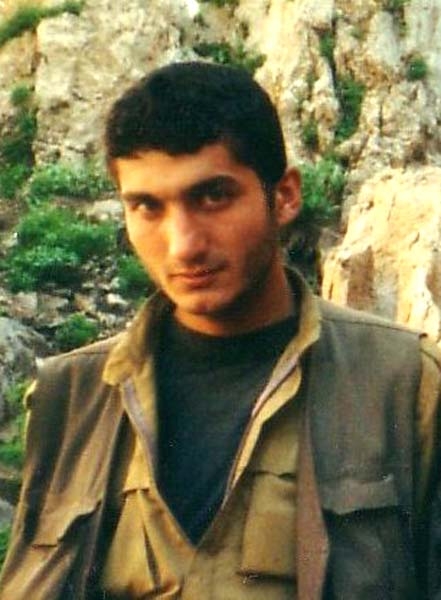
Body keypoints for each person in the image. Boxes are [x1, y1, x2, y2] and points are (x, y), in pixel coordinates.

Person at [0, 61, 440, 600]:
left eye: (212, 197)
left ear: (284, 196)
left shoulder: (404, 385)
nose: (183, 244)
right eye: (147, 207)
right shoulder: (70, 398)